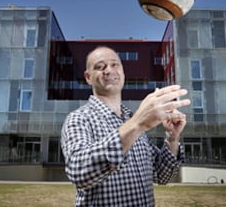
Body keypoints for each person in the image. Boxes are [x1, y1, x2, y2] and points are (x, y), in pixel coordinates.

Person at [61, 46, 191, 206]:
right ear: (88, 77)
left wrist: (172, 138)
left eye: (115, 65)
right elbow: (79, 172)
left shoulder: (132, 120)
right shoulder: (79, 119)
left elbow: (161, 175)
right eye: (100, 67)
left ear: (122, 72)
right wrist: (137, 124)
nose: (109, 70)